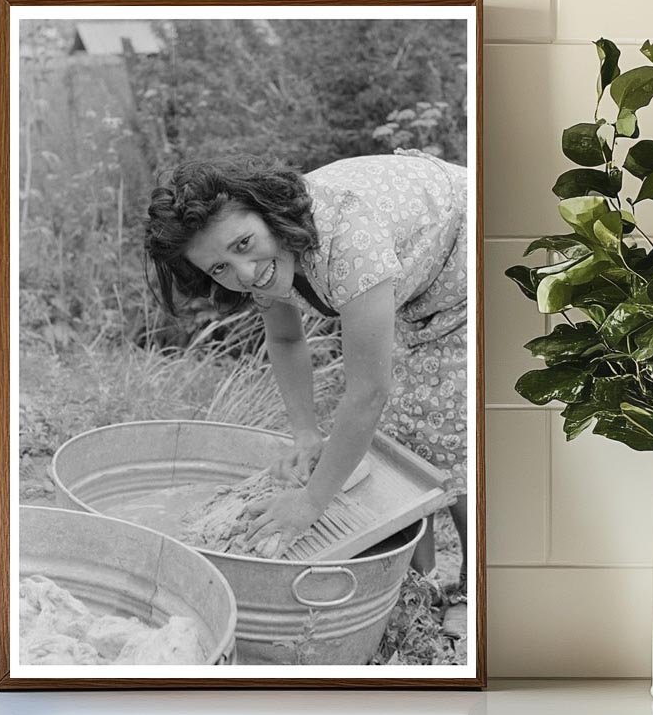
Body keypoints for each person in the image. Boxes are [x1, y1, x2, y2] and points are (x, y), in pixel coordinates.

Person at [143, 152, 468, 597]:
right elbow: (286, 340)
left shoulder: (349, 241)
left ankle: (477, 589)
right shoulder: (263, 256)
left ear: (270, 213)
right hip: (416, 279)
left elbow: (368, 392)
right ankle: (417, 582)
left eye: (242, 245)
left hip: (468, 259)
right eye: (219, 268)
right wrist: (305, 434)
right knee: (395, 433)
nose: (244, 273)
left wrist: (310, 502)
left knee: (448, 432)